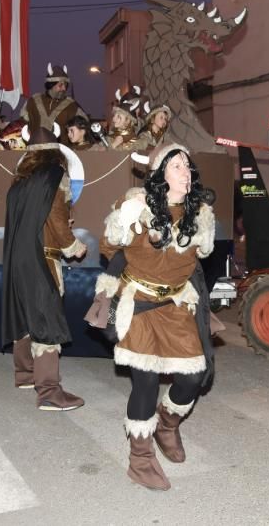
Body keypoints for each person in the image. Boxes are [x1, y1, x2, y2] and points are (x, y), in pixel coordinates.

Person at [96, 142, 216, 491]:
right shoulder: (137, 207)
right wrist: (127, 220)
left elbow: (197, 260)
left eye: (187, 166)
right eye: (177, 166)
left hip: (177, 303)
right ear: (160, 173)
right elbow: (109, 246)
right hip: (139, 303)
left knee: (193, 377)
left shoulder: (200, 215)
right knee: (146, 381)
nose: (186, 172)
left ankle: (167, 424)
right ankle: (140, 458)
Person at [1, 126, 87, 410]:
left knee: (24, 315)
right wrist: (73, 246)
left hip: (17, 258)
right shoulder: (54, 176)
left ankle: (25, 374)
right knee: (46, 316)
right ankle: (49, 391)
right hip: (42, 257)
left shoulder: (19, 180)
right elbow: (56, 216)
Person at [20, 63, 87, 138]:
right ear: (51, 85)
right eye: (60, 85)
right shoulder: (33, 101)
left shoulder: (72, 105)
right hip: (35, 147)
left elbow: (84, 127)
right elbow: (21, 124)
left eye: (65, 85)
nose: (64, 88)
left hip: (62, 149)